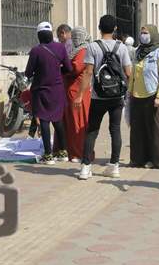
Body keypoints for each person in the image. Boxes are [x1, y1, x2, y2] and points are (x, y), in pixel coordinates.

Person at [76, 15, 132, 180]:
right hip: (117, 96)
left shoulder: (93, 47)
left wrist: (80, 95)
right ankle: (114, 166)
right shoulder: (121, 47)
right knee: (115, 130)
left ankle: (85, 167)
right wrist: (127, 91)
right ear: (115, 28)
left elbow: (88, 72)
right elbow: (129, 73)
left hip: (98, 96)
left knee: (92, 130)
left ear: (99, 28)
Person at [25, 22, 72, 165]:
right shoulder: (60, 48)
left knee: (44, 121)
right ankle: (63, 152)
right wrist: (57, 70)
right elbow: (68, 68)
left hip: (41, 91)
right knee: (58, 120)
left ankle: (48, 155)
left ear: (39, 35)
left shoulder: (36, 51)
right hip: (57, 90)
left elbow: (28, 73)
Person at [129, 25, 159, 168]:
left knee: (156, 128)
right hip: (137, 95)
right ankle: (139, 158)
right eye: (142, 33)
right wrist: (130, 90)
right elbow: (133, 73)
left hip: (153, 94)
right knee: (138, 128)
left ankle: (158, 159)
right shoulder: (138, 51)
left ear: (153, 34)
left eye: (146, 33)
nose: (143, 35)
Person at [63, 26, 92, 162]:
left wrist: (62, 67)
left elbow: (75, 68)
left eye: (76, 36)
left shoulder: (82, 51)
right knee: (74, 123)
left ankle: (78, 153)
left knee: (78, 123)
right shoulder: (78, 50)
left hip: (78, 92)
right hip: (76, 91)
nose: (74, 39)